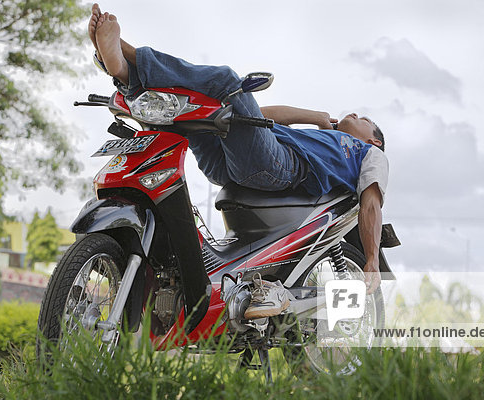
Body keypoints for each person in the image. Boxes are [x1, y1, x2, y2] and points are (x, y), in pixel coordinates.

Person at [88, 5, 388, 318]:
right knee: (181, 112)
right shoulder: (324, 134)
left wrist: (371, 261)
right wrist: (315, 117)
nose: (355, 114)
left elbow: (370, 205)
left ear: (375, 140)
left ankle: (125, 62)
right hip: (235, 163)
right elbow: (258, 115)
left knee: (228, 80)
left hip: (277, 167)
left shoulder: (368, 153)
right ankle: (127, 75)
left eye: (364, 118)